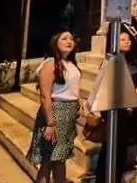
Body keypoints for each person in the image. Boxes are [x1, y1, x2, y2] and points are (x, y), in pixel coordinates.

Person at [29, 31, 86, 182]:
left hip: (68, 113)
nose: (69, 41)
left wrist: (79, 104)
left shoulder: (71, 63)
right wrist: (50, 123)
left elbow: (73, 89)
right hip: (55, 112)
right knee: (47, 161)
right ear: (55, 43)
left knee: (60, 159)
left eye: (71, 39)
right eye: (64, 38)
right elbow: (45, 95)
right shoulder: (50, 63)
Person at [92, 31, 137, 183]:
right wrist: (125, 101)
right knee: (109, 147)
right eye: (122, 39)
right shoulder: (110, 61)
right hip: (114, 109)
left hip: (129, 109)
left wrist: (132, 99)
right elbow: (104, 86)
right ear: (114, 42)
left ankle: (117, 178)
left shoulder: (132, 61)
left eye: (128, 39)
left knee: (122, 149)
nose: (127, 42)